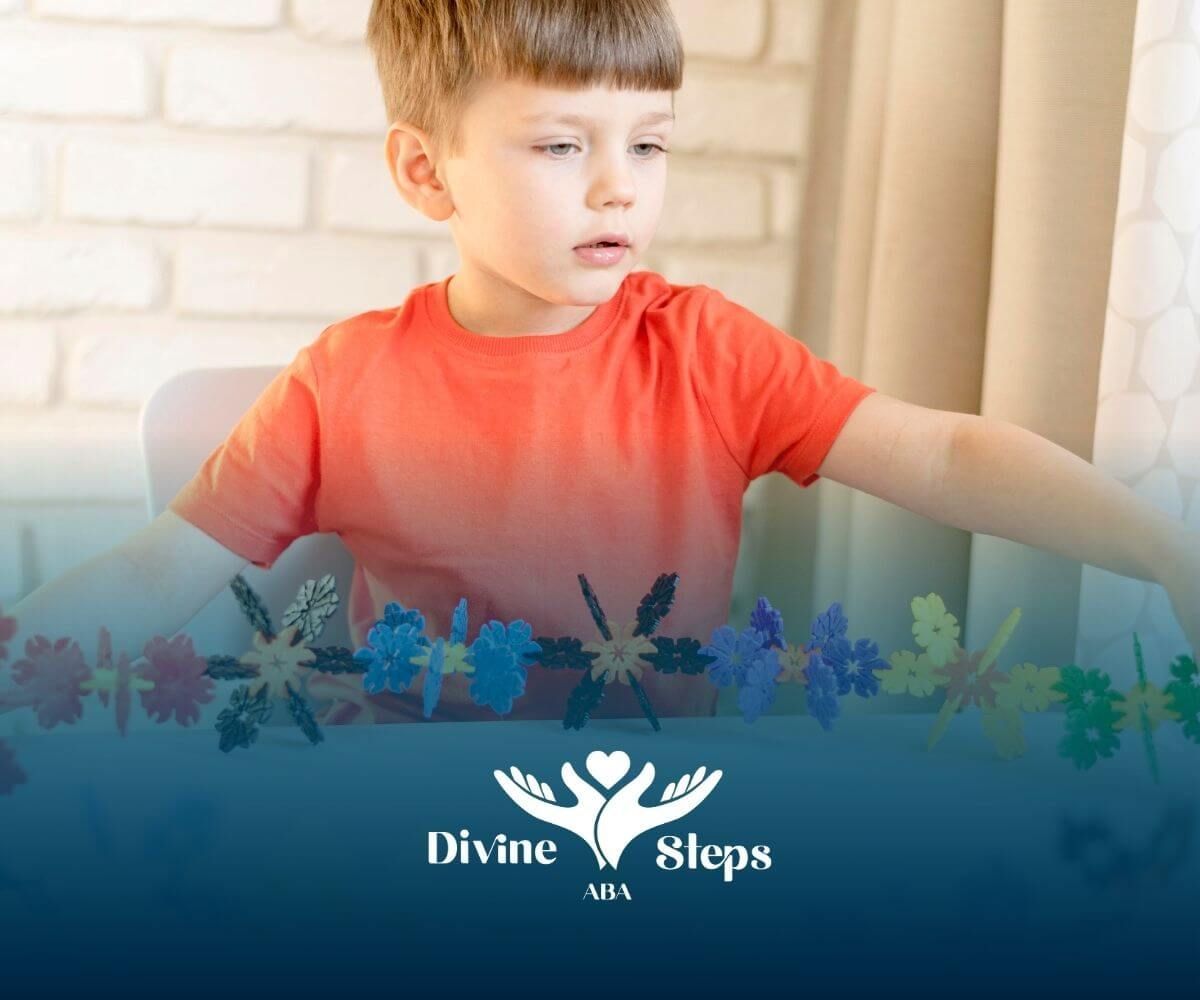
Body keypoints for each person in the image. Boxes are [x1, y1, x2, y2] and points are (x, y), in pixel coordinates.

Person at [5, 0, 1198, 727]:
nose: (619, 183)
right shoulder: (343, 382)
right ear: (428, 172)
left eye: (650, 142)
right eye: (564, 143)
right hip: (404, 823)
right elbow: (159, 569)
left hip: (646, 828)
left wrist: (1159, 544)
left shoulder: (710, 351)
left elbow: (944, 451)